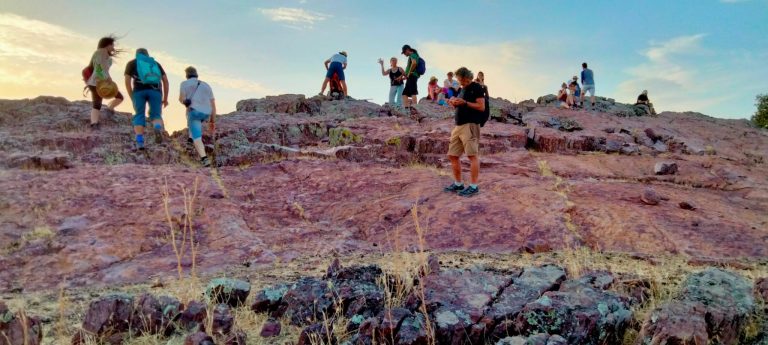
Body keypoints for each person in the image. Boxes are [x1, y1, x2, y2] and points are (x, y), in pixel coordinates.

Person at [443, 67, 486, 197]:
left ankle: (473, 186)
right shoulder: (462, 89)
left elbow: (481, 106)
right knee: (453, 155)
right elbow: (460, 104)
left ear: (468, 77)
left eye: (462, 80)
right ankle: (458, 184)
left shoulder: (477, 87)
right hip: (458, 126)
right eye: (459, 80)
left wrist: (465, 102)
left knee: (472, 155)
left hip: (470, 125)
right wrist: (453, 102)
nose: (461, 83)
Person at [124, 48, 169, 150]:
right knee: (156, 115)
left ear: (137, 55)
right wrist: (165, 98)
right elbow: (165, 81)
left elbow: (127, 81)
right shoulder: (155, 63)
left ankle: (140, 141)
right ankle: (157, 128)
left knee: (139, 115)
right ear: (148, 54)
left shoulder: (132, 63)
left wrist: (132, 95)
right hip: (155, 92)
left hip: (138, 92)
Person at [179, 66, 216, 167]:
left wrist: (184, 101)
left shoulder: (184, 84)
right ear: (196, 75)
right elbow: (213, 104)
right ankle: (191, 137)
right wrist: (212, 121)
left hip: (194, 113)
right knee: (191, 114)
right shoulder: (206, 85)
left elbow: (181, 98)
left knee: (197, 137)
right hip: (207, 113)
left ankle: (204, 159)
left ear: (186, 75)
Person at [86, 36, 124, 129]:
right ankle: (94, 123)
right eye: (112, 45)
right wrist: (106, 78)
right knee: (97, 103)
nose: (113, 47)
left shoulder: (106, 55)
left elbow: (104, 69)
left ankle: (108, 110)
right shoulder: (100, 52)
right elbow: (98, 68)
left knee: (118, 97)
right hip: (97, 82)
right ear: (107, 44)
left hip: (102, 82)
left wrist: (109, 78)